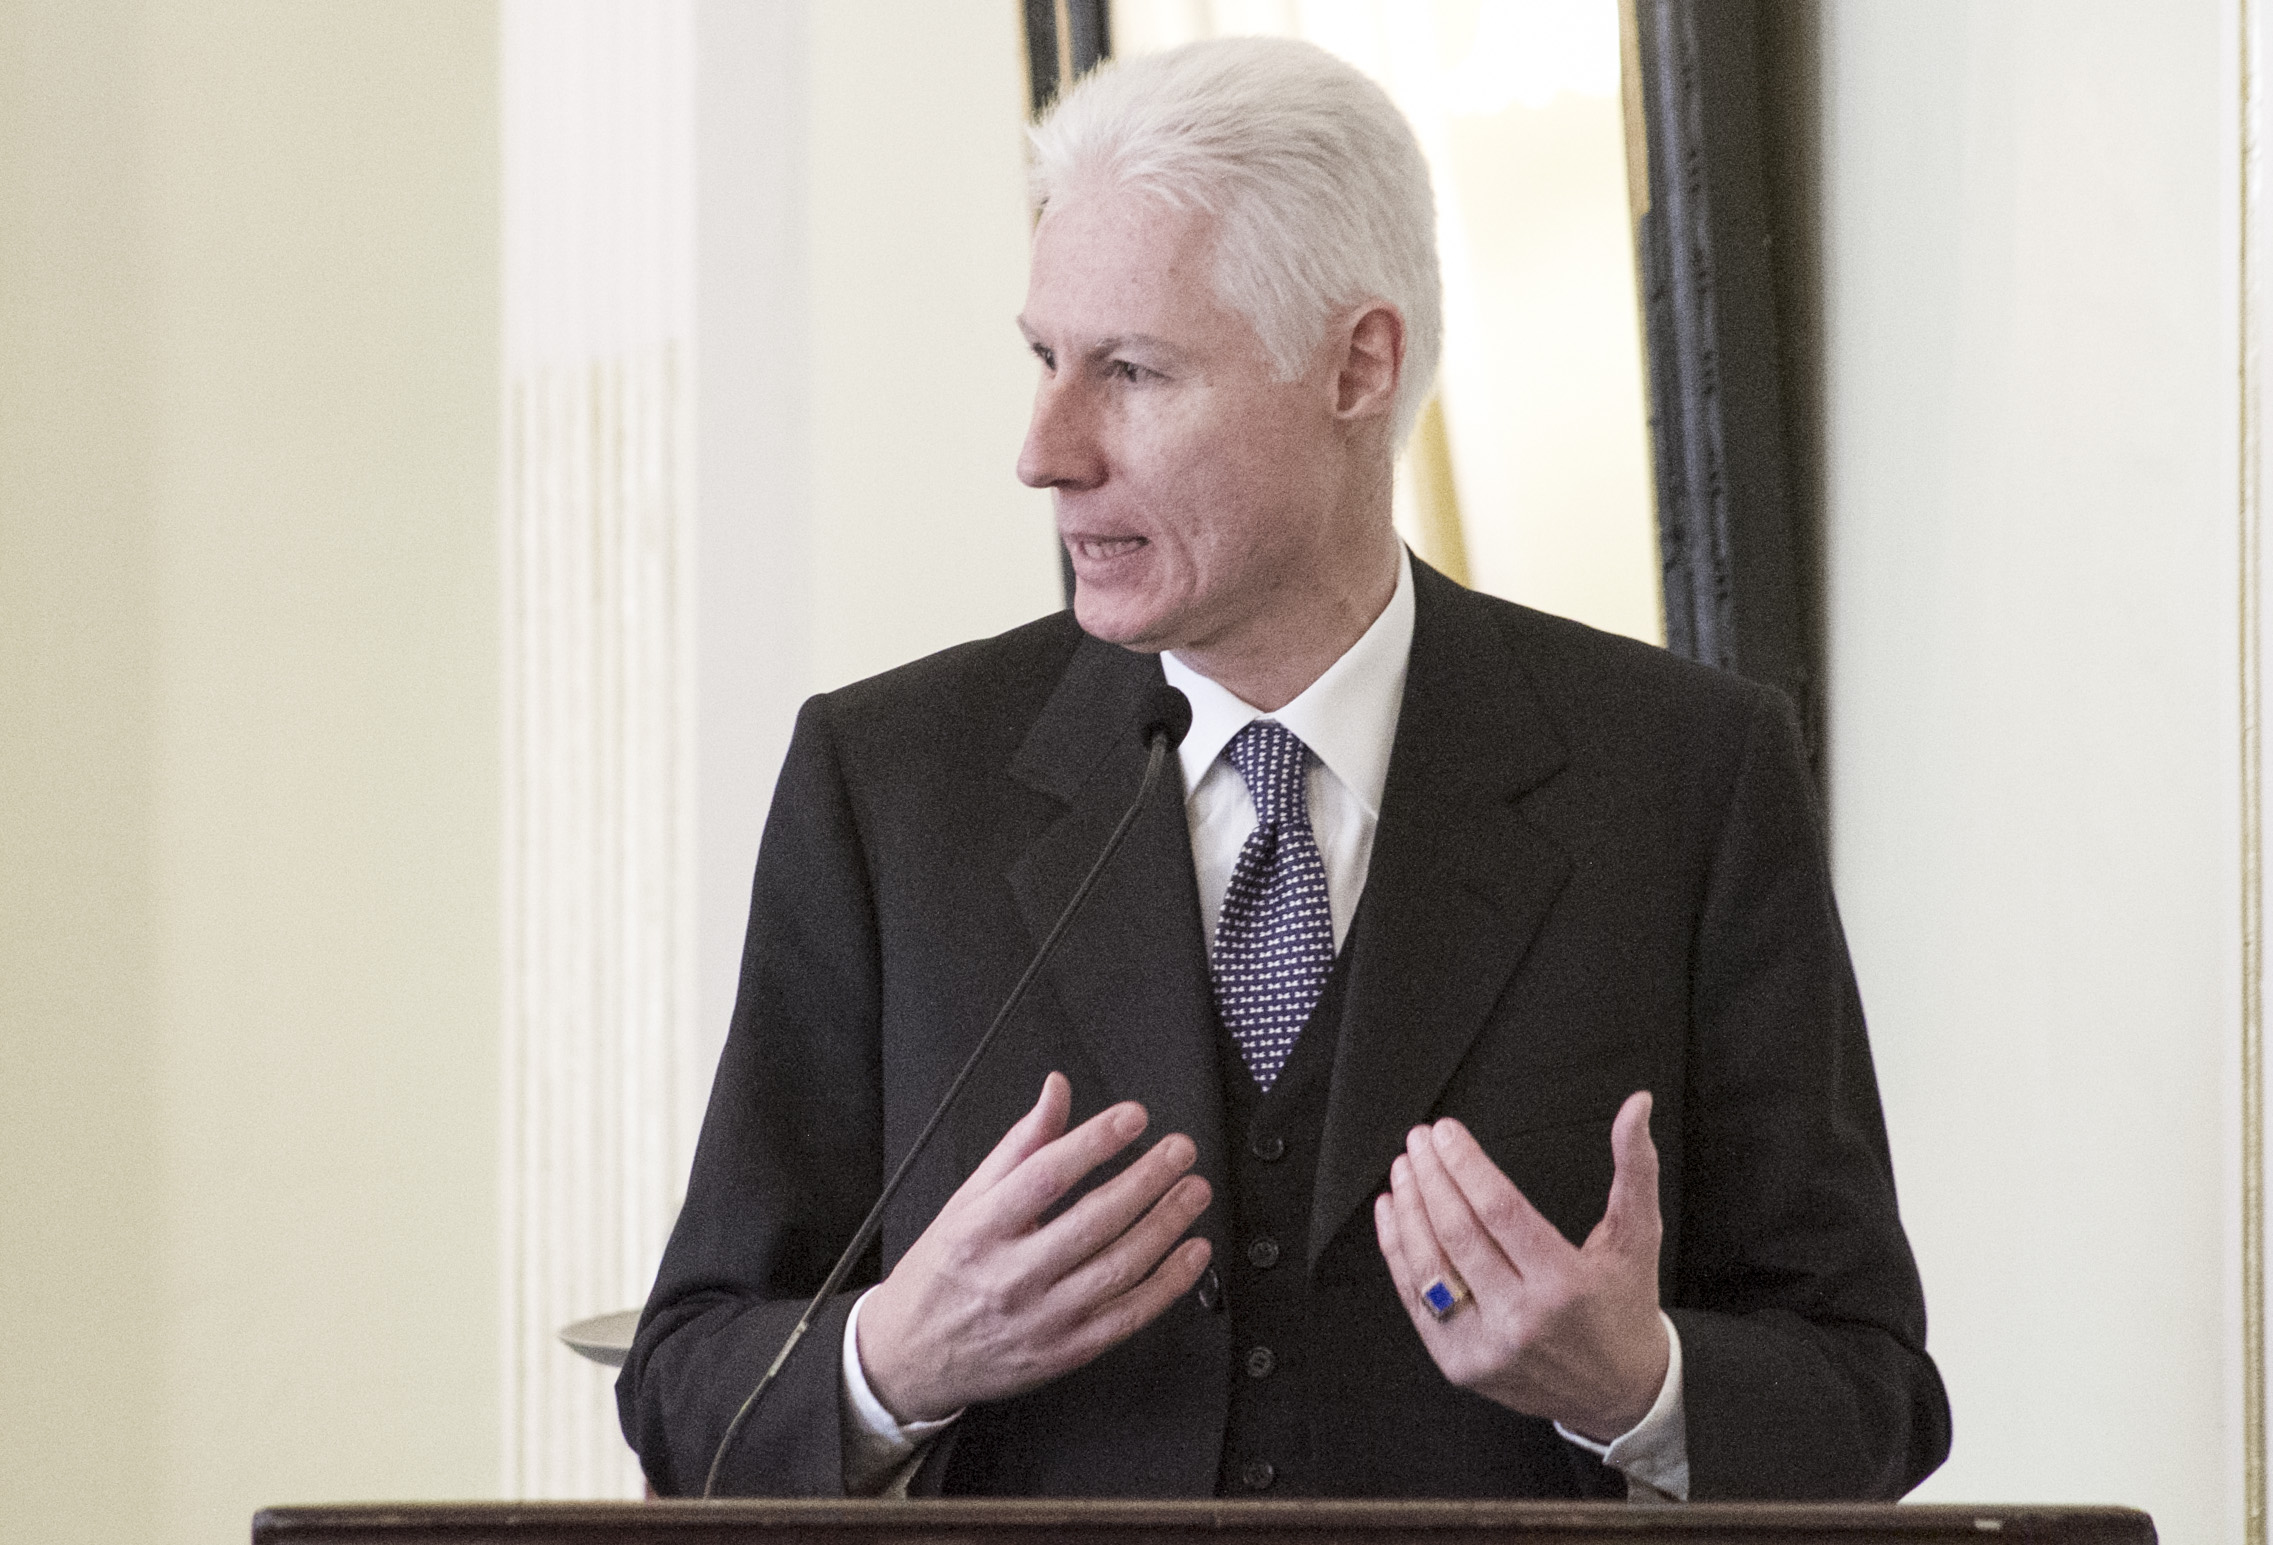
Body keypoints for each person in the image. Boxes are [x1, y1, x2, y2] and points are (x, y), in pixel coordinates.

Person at [617, 35, 1950, 1503]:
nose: (1046, 451)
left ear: (1357, 366)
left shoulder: (1686, 777)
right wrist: (891, 1361)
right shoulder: (887, 783)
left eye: (1131, 371)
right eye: (1044, 360)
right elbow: (684, 1393)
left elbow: (1871, 1394)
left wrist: (1640, 1391)